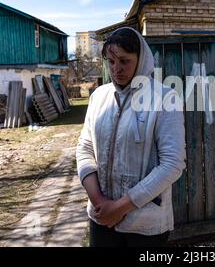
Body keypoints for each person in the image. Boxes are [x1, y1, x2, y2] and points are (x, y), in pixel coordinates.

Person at [76, 27, 186, 247]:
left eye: (125, 61)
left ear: (141, 59)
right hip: (101, 218)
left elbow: (173, 164)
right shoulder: (99, 96)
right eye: (111, 61)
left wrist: (121, 207)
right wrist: (100, 202)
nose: (117, 69)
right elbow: (85, 148)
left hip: (145, 225)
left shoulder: (164, 98)